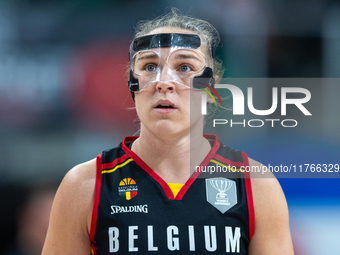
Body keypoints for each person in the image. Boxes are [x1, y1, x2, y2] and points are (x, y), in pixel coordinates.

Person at [42, 9, 294, 255]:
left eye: (184, 67)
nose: (164, 81)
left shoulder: (256, 186)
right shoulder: (84, 186)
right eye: (150, 66)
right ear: (132, 83)